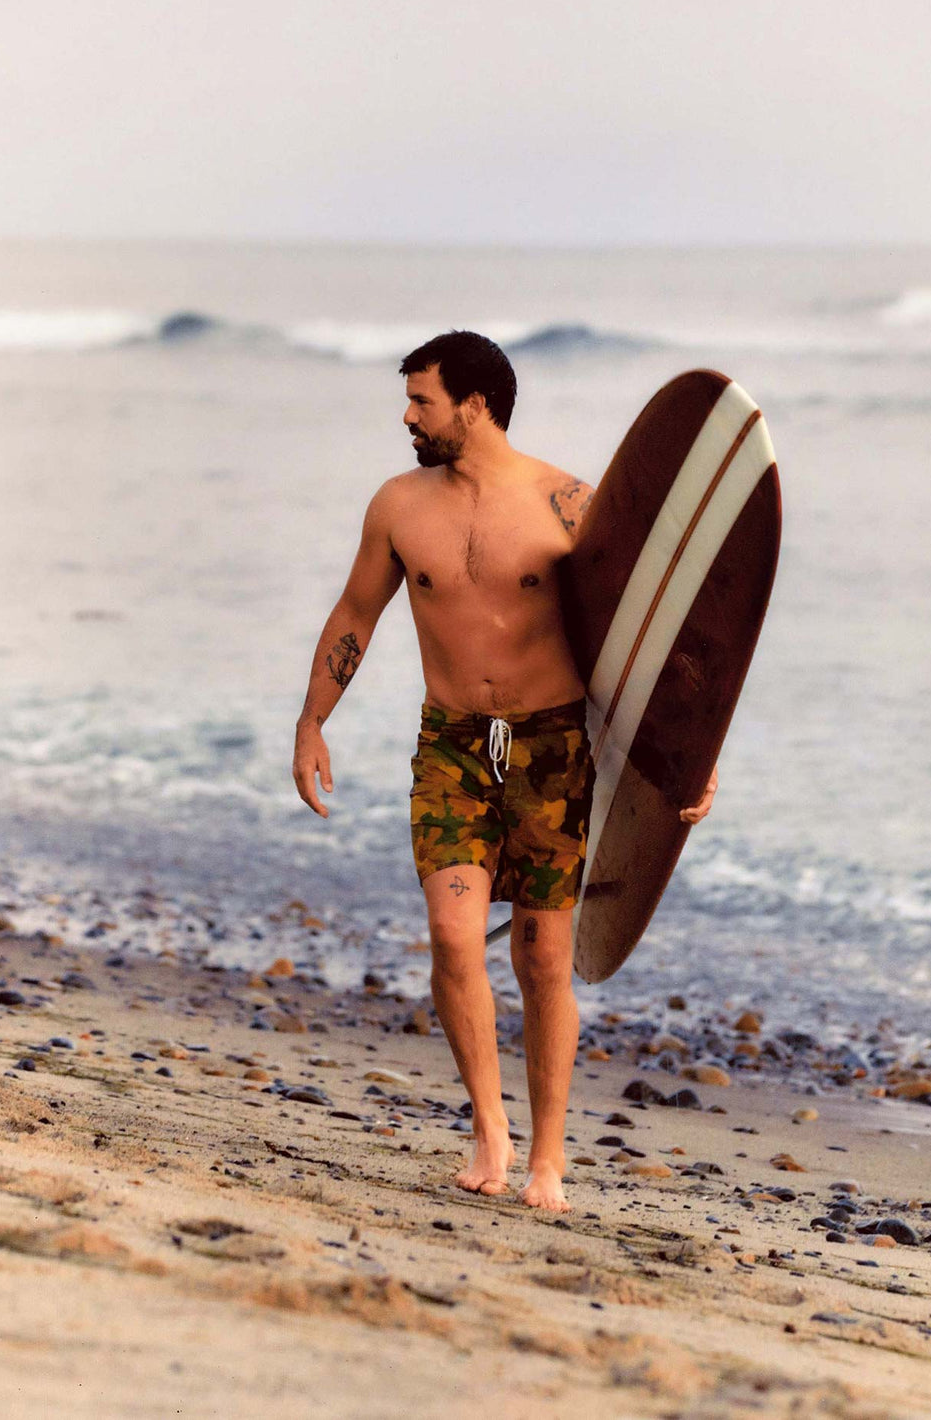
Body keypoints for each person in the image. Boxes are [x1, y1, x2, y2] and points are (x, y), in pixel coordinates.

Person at [292, 330, 718, 1212]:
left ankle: (549, 1158)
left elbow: (649, 643)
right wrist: (311, 721)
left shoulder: (568, 506)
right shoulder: (399, 507)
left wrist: (690, 759)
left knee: (543, 958)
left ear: (475, 405)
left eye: (422, 401)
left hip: (554, 749)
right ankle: (491, 1126)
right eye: (409, 401)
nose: (407, 417)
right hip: (451, 744)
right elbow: (356, 613)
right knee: (453, 940)